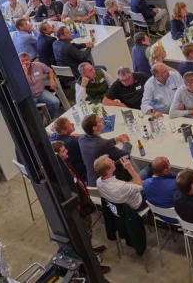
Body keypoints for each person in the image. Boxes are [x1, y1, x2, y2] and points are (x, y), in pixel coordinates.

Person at [50, 142, 110, 273]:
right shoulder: (60, 177)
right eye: (63, 150)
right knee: (83, 239)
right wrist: (83, 209)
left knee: (87, 235)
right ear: (57, 156)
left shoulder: (65, 167)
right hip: (79, 211)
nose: (67, 151)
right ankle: (93, 267)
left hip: (84, 205)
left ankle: (91, 250)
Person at [79, 113, 132, 185]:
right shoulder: (103, 144)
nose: (103, 121)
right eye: (100, 120)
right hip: (106, 182)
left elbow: (102, 144)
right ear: (94, 128)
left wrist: (116, 139)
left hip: (91, 180)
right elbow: (125, 154)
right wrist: (126, 142)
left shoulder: (81, 139)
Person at [19, 53, 60, 117]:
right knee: (29, 112)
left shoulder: (38, 65)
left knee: (56, 102)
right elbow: (21, 85)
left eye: (27, 59)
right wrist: (25, 73)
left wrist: (52, 80)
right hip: (30, 96)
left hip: (41, 92)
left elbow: (50, 71)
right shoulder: (17, 71)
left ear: (30, 59)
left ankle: (49, 117)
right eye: (23, 61)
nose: (26, 62)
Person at [49, 117, 89, 182]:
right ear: (64, 131)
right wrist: (81, 136)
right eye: (70, 124)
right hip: (82, 175)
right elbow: (90, 143)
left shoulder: (52, 137)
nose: (73, 124)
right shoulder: (73, 142)